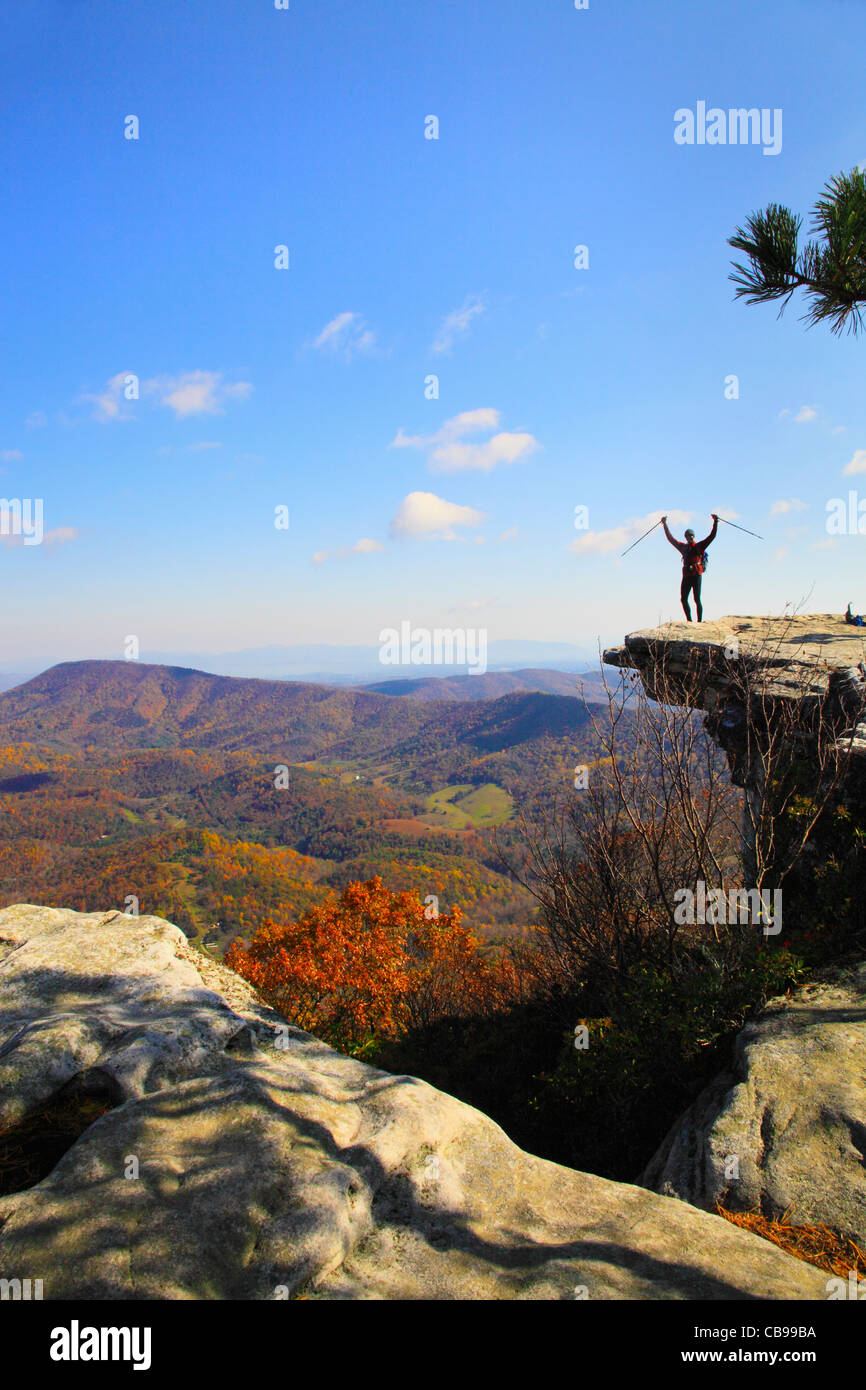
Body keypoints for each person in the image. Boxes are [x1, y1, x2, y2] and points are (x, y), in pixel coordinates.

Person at [661, 514, 718, 622]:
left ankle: (699, 621)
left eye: (692, 535)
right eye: (688, 535)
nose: (691, 537)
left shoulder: (699, 546)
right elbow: (670, 538)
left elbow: (712, 536)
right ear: (686, 537)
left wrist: (715, 522)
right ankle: (689, 621)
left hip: (696, 575)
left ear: (693, 536)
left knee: (697, 599)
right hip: (687, 575)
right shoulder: (683, 547)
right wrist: (665, 524)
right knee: (683, 599)